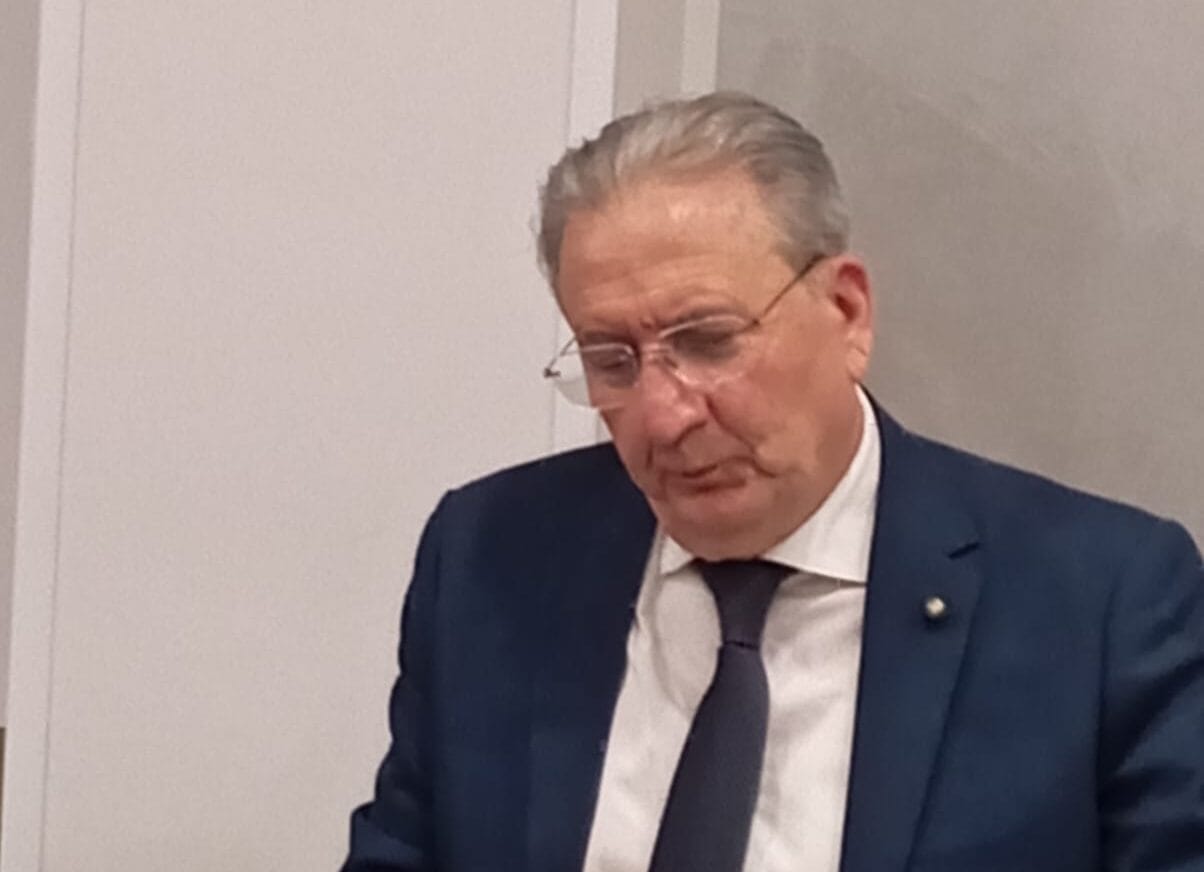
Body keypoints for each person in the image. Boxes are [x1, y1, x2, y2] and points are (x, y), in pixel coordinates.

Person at [340, 92, 1204, 871]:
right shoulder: (493, 559)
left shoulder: (1102, 602)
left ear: (847, 313)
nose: (663, 416)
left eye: (708, 341)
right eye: (611, 360)